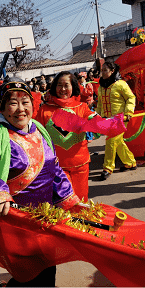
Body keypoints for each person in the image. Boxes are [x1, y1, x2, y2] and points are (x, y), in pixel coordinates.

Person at [0, 78, 84, 287]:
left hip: (46, 216)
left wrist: (70, 201)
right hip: (17, 221)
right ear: (2, 107)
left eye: (25, 102)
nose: (20, 109)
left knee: (47, 266)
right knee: (29, 274)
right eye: (13, 102)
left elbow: (54, 168)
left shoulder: (39, 130)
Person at [35, 71, 97, 202]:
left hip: (81, 164)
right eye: (59, 85)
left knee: (82, 200)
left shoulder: (82, 107)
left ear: (73, 87)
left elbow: (94, 121)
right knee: (65, 203)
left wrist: (104, 123)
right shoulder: (45, 110)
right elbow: (36, 136)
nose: (63, 89)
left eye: (66, 85)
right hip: (57, 167)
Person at [96, 60, 136, 178]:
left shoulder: (121, 84)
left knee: (111, 142)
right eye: (101, 70)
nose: (102, 73)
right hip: (107, 120)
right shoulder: (101, 87)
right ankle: (130, 163)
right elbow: (100, 104)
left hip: (120, 119)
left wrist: (129, 111)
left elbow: (130, 97)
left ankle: (107, 168)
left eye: (105, 70)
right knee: (118, 143)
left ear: (112, 71)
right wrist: (96, 116)